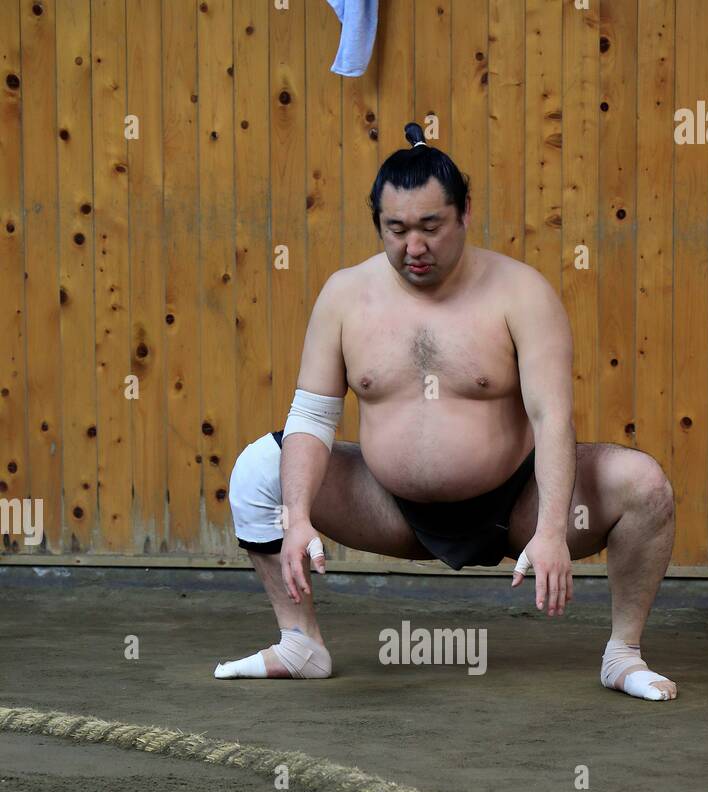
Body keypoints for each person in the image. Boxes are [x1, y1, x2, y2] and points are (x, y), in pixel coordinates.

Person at [216, 123, 676, 700]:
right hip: (388, 507)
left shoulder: (521, 292)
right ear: (377, 225)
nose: (414, 247)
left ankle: (623, 654)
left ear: (463, 215)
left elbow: (551, 418)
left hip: (518, 506)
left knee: (645, 484)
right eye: (397, 229)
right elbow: (312, 418)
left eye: (431, 227)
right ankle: (299, 644)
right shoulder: (343, 296)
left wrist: (555, 528)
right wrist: (299, 516)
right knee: (260, 468)